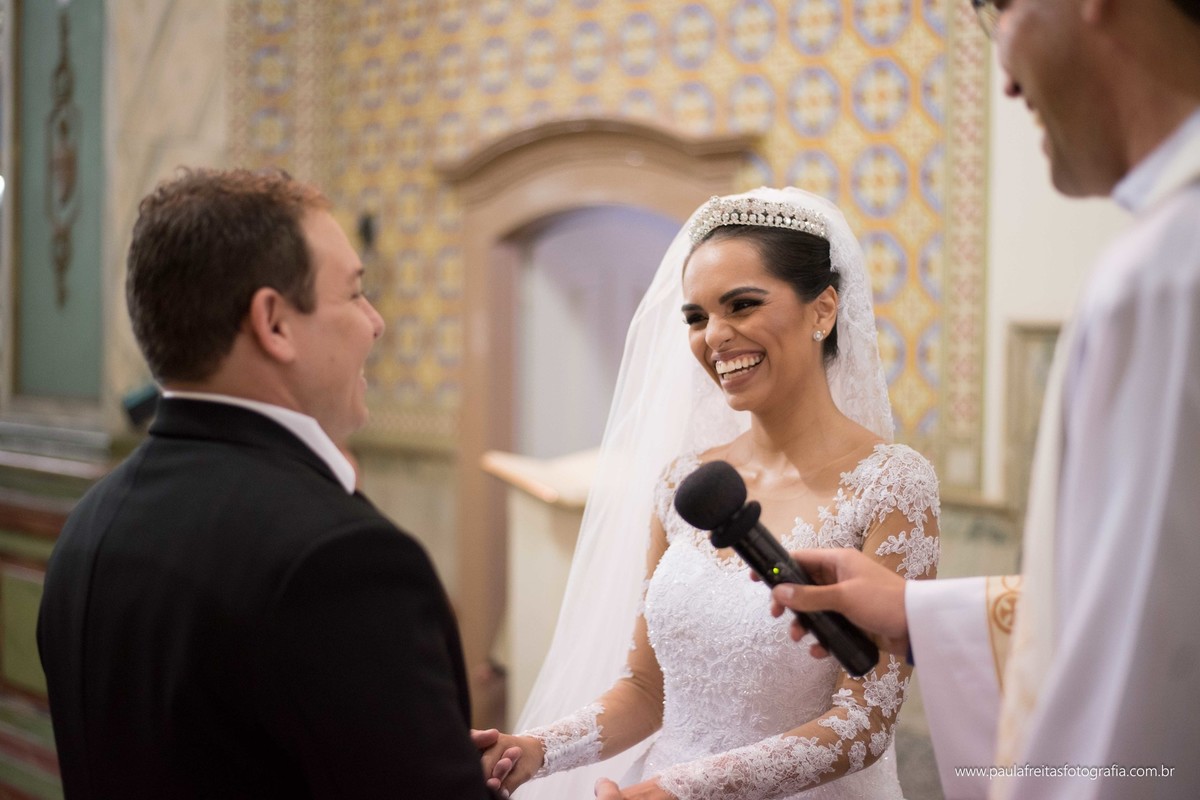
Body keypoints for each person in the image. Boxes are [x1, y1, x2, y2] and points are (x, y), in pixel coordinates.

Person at [771, 0, 1200, 797]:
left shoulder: (1167, 277)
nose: (1003, 80)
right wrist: (916, 612)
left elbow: (1137, 677)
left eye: (998, 12)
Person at [36, 168, 501, 798]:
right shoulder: (341, 561)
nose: (376, 322)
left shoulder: (89, 523)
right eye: (355, 293)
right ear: (273, 322)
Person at [476, 187, 942, 799]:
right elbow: (646, 691)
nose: (714, 337)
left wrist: (685, 790)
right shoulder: (684, 483)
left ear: (823, 310)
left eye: (741, 305)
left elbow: (864, 725)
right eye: (695, 318)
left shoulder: (892, 484)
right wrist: (537, 749)